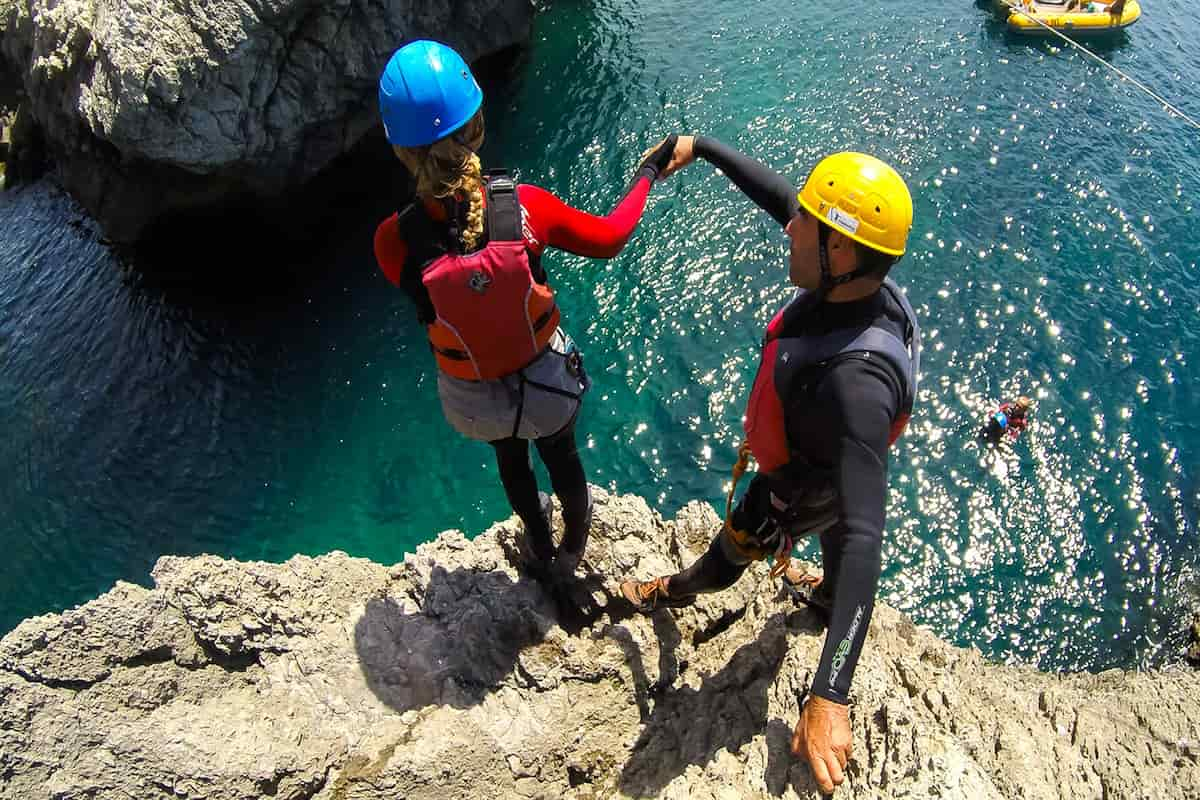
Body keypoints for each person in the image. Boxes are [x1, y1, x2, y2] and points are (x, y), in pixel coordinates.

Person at [617, 136, 920, 795]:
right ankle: (822, 596)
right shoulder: (858, 287)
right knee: (836, 543)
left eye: (806, 226)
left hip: (795, 494)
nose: (790, 231)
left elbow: (871, 533)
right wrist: (703, 148)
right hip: (832, 479)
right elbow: (780, 196)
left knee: (732, 556)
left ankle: (673, 591)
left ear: (838, 249)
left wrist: (831, 694)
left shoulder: (856, 385)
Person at [373, 40, 676, 577]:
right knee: (563, 458)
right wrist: (649, 173)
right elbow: (611, 236)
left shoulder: (390, 241)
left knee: (510, 460)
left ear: (400, 150)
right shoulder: (525, 206)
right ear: (477, 125)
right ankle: (571, 554)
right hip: (545, 385)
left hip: (474, 398)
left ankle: (537, 544)